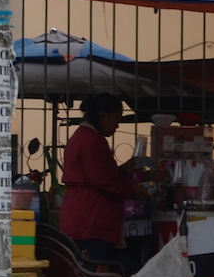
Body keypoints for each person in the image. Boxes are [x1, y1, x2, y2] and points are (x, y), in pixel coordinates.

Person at [58, 93, 148, 265]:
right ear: (103, 115)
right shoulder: (91, 141)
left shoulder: (85, 137)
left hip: (85, 215)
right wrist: (132, 189)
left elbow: (98, 174)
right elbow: (102, 180)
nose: (117, 125)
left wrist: (122, 171)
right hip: (89, 219)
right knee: (92, 274)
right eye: (116, 120)